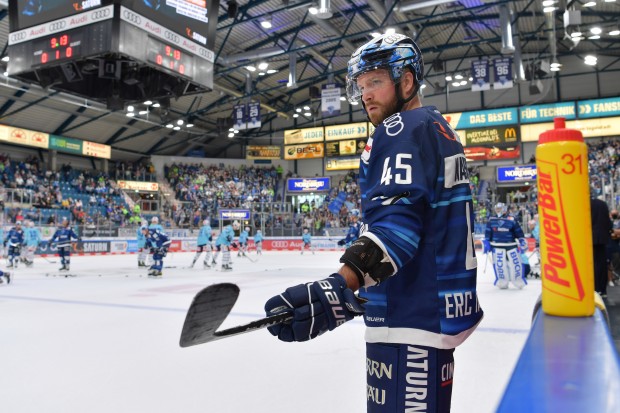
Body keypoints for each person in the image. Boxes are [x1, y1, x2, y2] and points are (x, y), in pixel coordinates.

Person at [264, 33, 483, 413]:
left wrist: (337, 287)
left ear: (407, 81)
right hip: (430, 315)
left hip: (410, 322)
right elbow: (424, 225)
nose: (365, 94)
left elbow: (397, 229)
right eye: (361, 86)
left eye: (376, 81)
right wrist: (357, 297)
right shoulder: (438, 127)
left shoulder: (402, 129)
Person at [483, 202, 527, 289]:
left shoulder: (512, 219)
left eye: (499, 209)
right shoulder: (491, 220)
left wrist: (521, 239)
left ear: (504, 209)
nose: (497, 211)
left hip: (511, 245)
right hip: (497, 246)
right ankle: (502, 283)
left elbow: (518, 231)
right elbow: (488, 232)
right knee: (500, 265)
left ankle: (518, 282)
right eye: (496, 209)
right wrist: (487, 242)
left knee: (515, 264)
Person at [590, 197, 612, 297]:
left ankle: (594, 288)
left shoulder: (586, 204)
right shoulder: (603, 204)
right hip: (603, 238)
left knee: (592, 264)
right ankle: (602, 290)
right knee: (602, 264)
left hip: (590, 238)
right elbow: (608, 222)